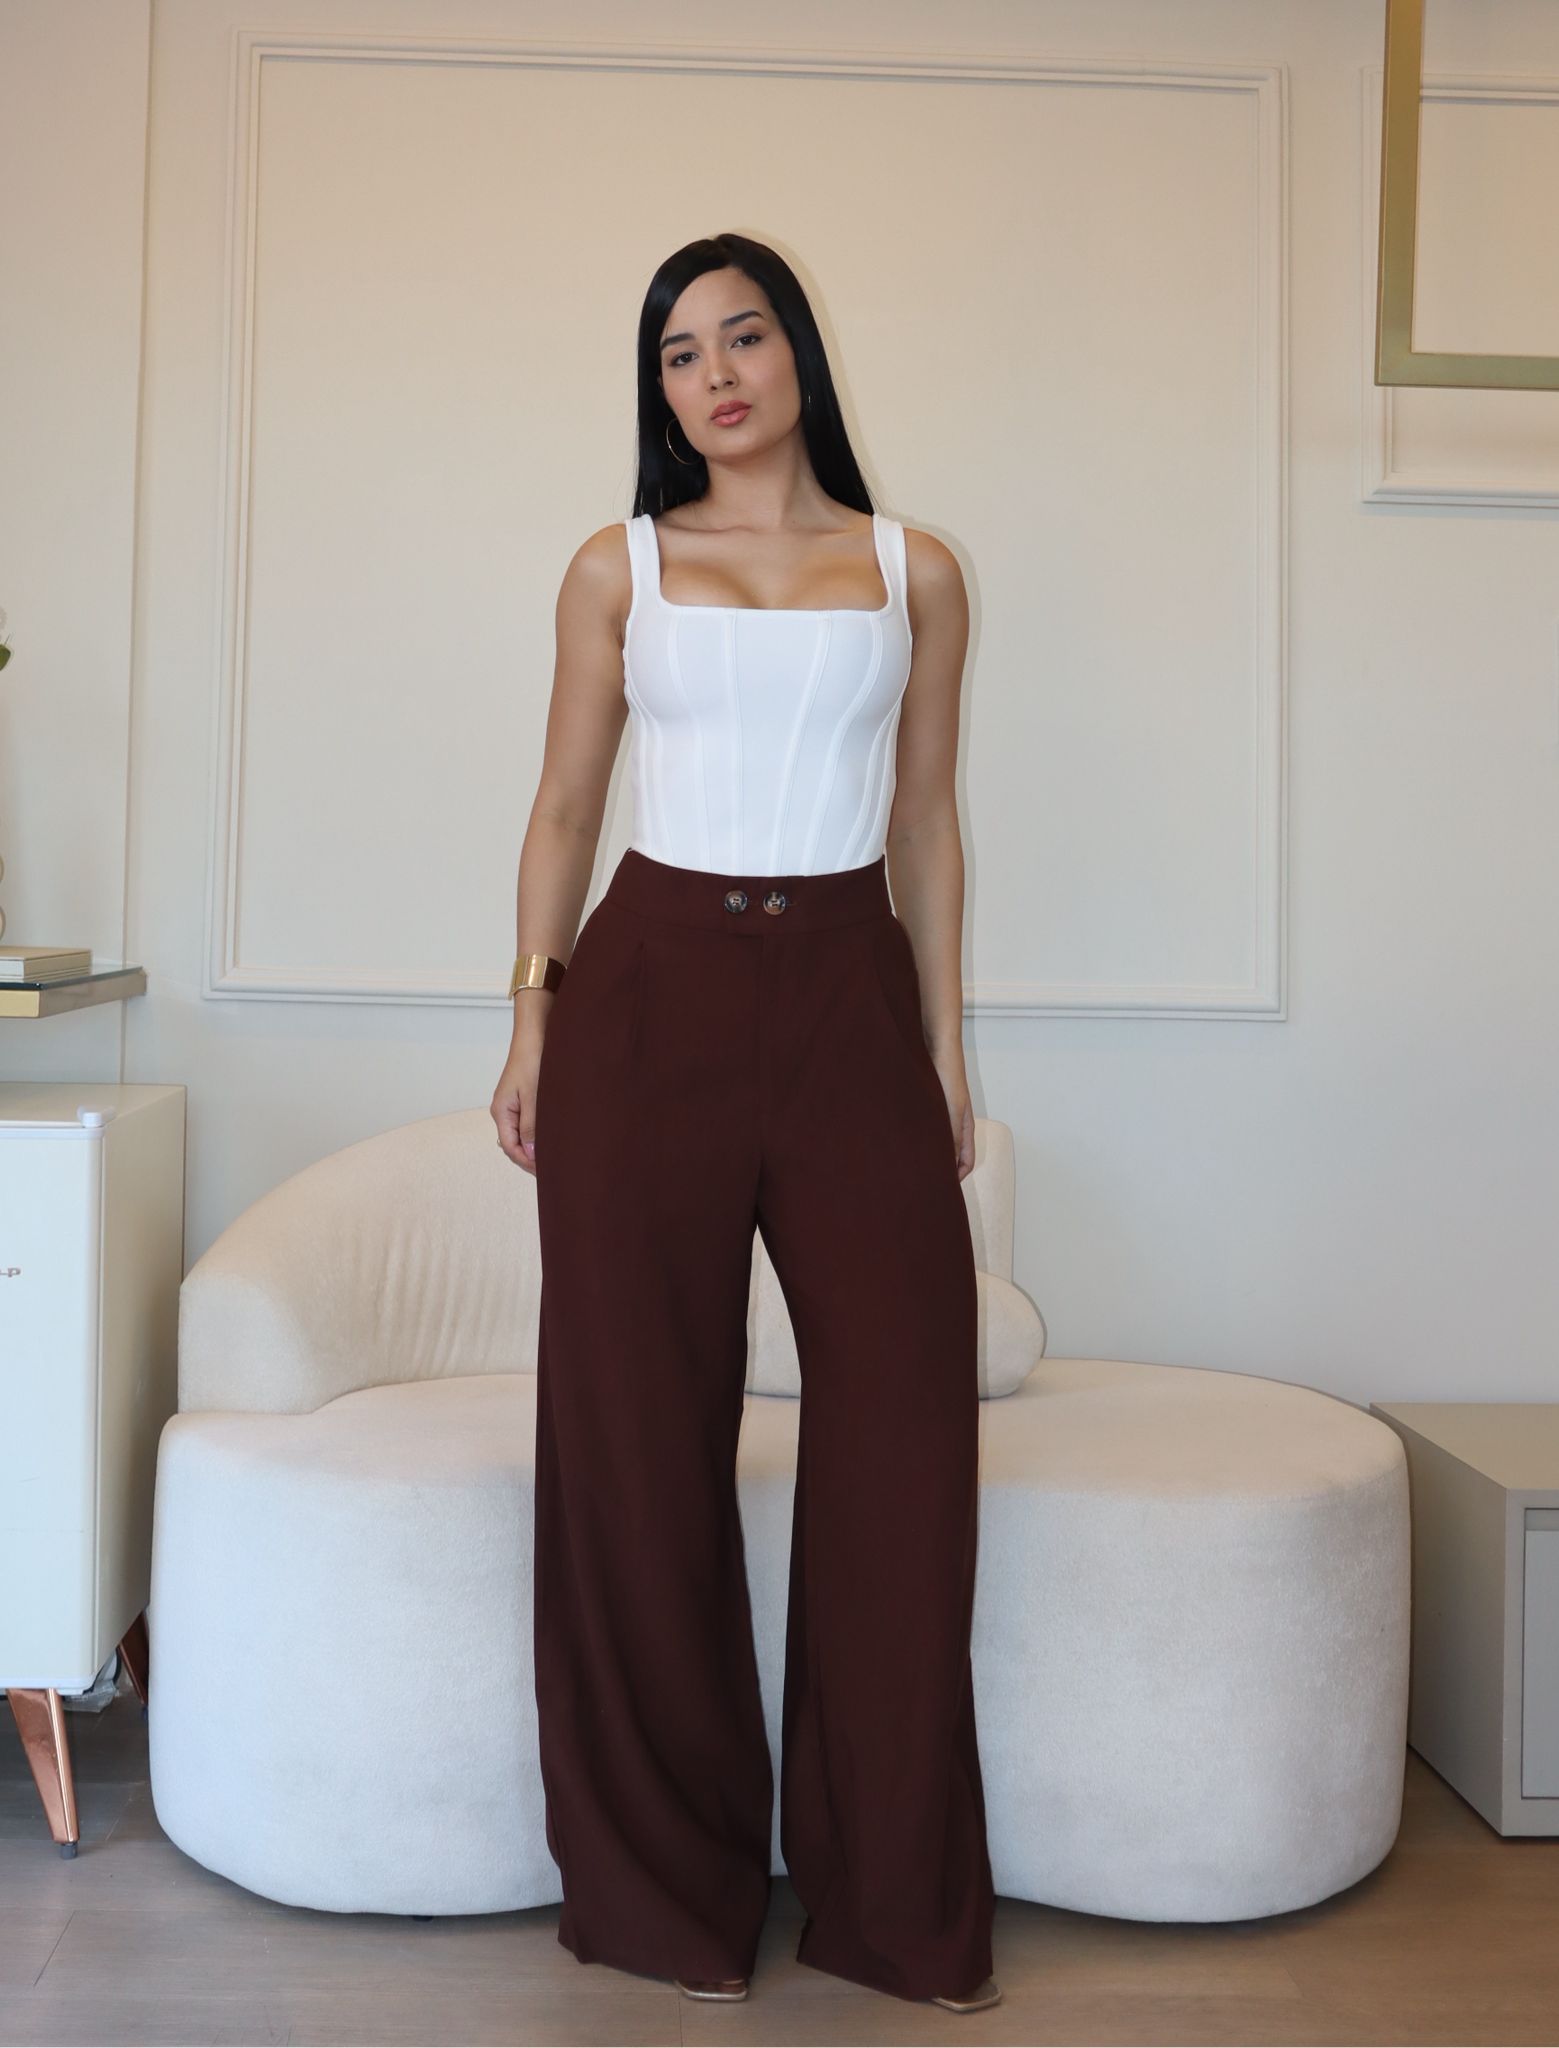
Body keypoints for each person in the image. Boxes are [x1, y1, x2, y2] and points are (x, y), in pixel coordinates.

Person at [490, 232, 998, 2013]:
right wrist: (533, 1018)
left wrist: (944, 1048)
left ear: (800, 357)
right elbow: (566, 810)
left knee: (907, 1433)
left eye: (745, 337)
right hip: (648, 999)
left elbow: (924, 823)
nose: (715, 375)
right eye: (680, 352)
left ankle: (893, 1905)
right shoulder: (616, 567)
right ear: (661, 390)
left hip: (850, 991)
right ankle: (661, 1898)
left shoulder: (915, 571)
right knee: (633, 1439)